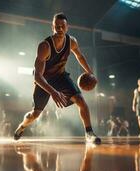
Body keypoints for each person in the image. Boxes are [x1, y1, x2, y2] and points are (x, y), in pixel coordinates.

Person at [14, 13, 101, 144]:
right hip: (44, 80)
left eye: (62, 26)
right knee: (35, 114)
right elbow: (37, 76)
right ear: (52, 27)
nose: (60, 29)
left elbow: (80, 56)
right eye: (57, 26)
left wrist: (90, 72)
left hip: (60, 77)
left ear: (67, 27)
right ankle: (22, 126)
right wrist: (53, 92)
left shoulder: (71, 41)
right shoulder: (45, 46)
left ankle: (89, 133)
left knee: (80, 100)